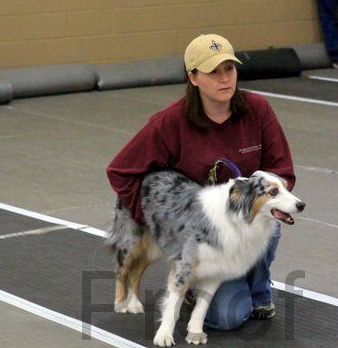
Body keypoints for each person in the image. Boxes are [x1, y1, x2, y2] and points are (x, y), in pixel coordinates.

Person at [106, 33, 295, 331]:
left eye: (229, 69)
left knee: (268, 227)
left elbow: (282, 171)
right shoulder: (169, 122)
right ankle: (196, 285)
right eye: (213, 72)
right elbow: (120, 171)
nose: (225, 79)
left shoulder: (258, 110)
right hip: (200, 236)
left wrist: (266, 200)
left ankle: (258, 290)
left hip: (244, 223)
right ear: (193, 77)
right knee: (227, 318)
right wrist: (156, 222)